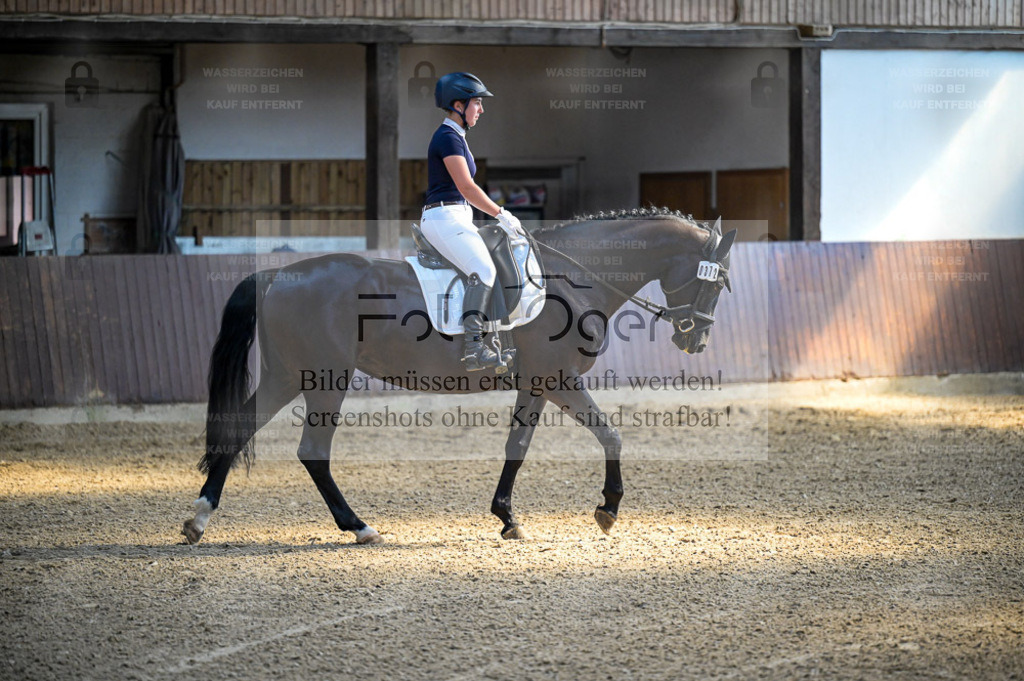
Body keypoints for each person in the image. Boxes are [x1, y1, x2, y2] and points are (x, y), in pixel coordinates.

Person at [420, 72, 523, 372]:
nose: (481, 109)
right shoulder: (447, 137)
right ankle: (474, 348)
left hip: (456, 215)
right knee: (483, 270)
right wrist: (501, 213)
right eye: (477, 103)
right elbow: (466, 187)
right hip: (443, 216)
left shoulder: (457, 137)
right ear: (458, 105)